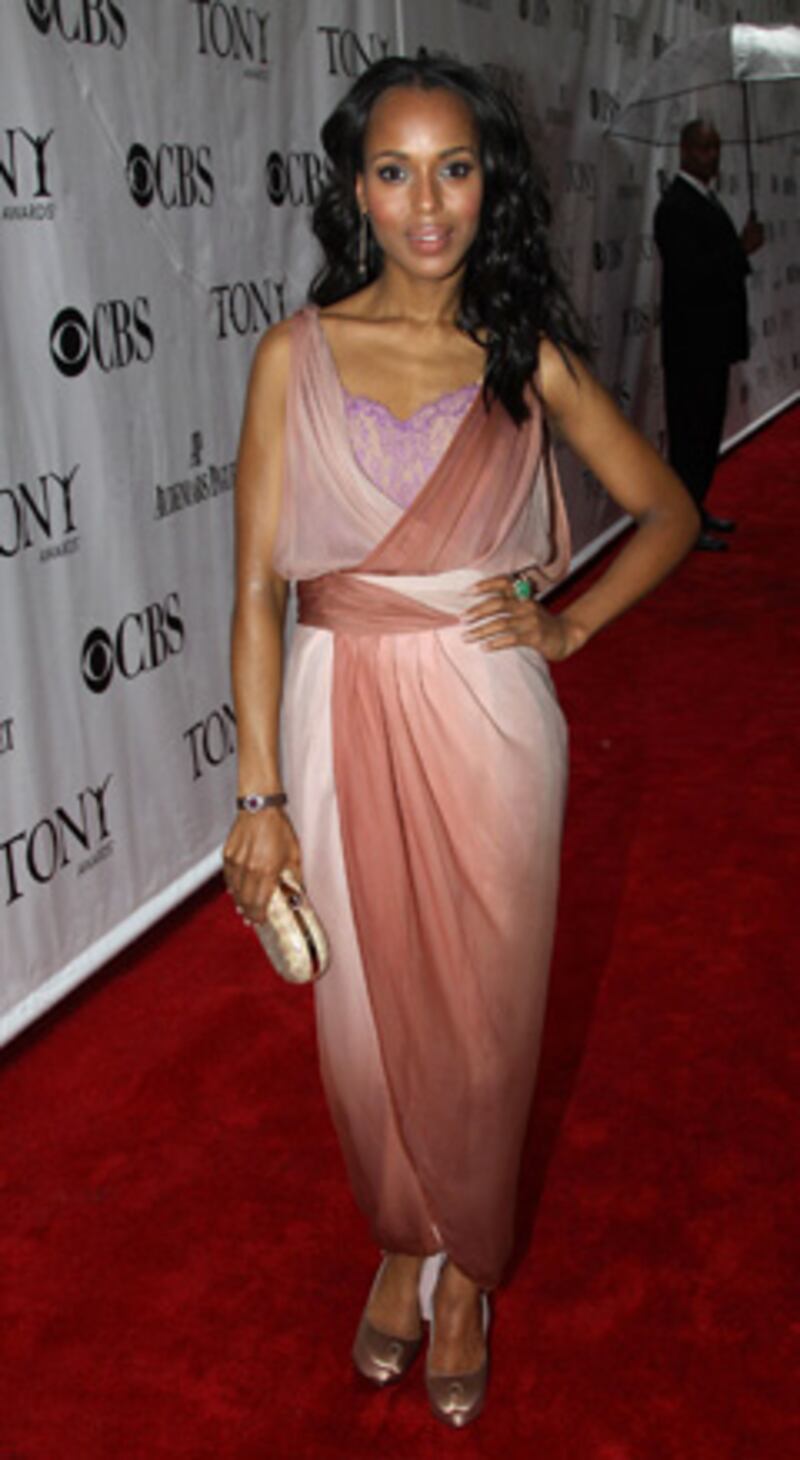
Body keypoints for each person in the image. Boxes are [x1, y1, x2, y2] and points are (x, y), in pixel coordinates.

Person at [223, 55, 699, 1429]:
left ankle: (471, 1264)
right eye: (394, 170)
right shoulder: (291, 355)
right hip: (331, 707)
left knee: (489, 1022)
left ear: (492, 183)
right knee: (364, 1018)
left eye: (454, 168)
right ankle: (403, 1232)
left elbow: (664, 511)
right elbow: (259, 580)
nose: (425, 203)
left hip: (490, 723)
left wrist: (569, 630)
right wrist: (258, 790)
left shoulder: (523, 355)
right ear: (354, 187)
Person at [654, 118, 765, 552]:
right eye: (703, 148)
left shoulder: (707, 200)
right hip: (691, 348)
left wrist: (739, 248)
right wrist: (741, 249)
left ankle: (695, 509)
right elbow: (691, 276)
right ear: (683, 149)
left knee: (705, 435)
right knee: (689, 438)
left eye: (716, 148)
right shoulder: (674, 206)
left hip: (711, 344)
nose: (712, 157)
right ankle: (683, 525)